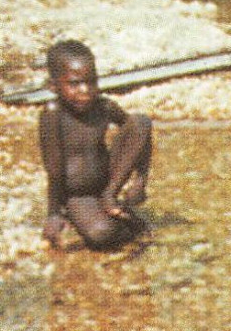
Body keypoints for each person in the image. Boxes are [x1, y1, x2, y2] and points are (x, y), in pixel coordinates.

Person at [39, 39, 153, 251]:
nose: (86, 90)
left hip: (107, 183)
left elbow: (138, 134)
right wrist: (53, 214)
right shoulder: (53, 114)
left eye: (92, 82)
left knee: (141, 121)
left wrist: (140, 179)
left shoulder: (104, 106)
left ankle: (110, 199)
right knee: (102, 234)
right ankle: (120, 221)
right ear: (53, 86)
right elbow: (53, 171)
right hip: (77, 194)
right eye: (74, 84)